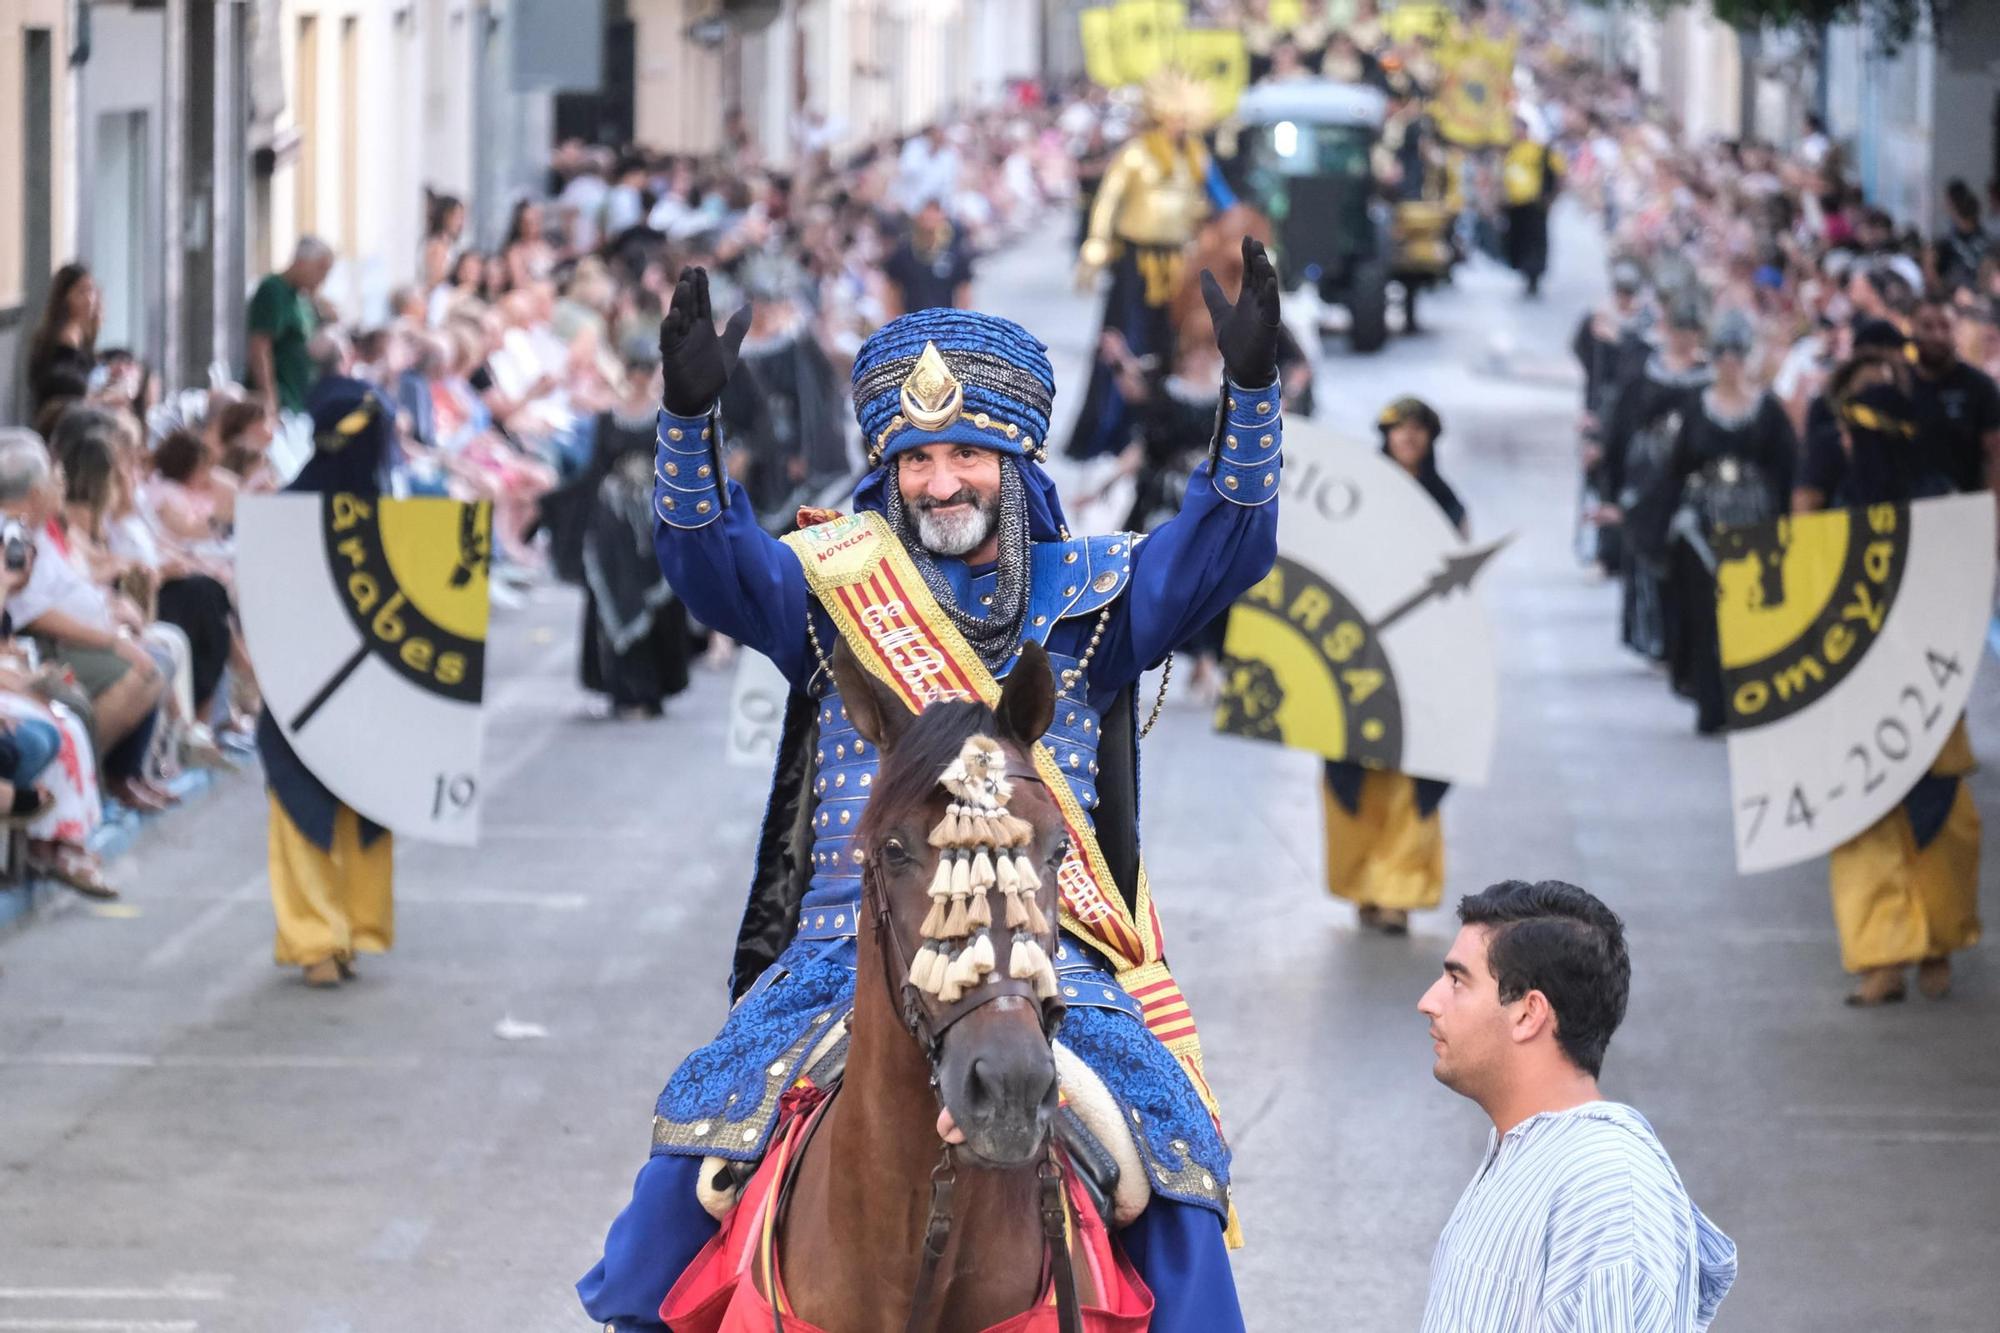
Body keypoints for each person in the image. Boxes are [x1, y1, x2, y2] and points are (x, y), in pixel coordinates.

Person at [579, 243, 1285, 1332]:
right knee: (679, 1179)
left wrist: (1247, 398)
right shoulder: (828, 592)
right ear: (885, 472)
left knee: (1174, 1167)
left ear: (1014, 463)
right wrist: (686, 423)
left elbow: (1225, 550)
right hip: (843, 953)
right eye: (914, 460)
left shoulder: (1097, 601)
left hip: (1056, 964)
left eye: (966, 454)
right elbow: (706, 557)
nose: (940, 481)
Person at [1417, 879, 1738, 1332]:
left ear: (1529, 1014)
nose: (1428, 1001)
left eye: (1456, 981)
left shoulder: (1606, 1191)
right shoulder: (1525, 1150)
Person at [1796, 364, 1985, 1006]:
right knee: (1867, 820)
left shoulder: (1935, 501)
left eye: (1851, 433)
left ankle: (1934, 949)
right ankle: (1888, 957)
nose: (1843, 444)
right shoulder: (1849, 502)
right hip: (1863, 684)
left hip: (1922, 681)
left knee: (1934, 821)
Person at [257, 377, 398, 989]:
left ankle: (322, 938)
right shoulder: (387, 520)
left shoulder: (281, 512)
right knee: (337, 806)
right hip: (349, 684)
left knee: (310, 809)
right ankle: (340, 935)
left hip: (302, 687)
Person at [1324, 398, 1464, 935]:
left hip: (1422, 654)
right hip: (1358, 652)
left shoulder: (1448, 505)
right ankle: (1364, 882)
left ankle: (1397, 891)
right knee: (1357, 769)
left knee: (1412, 770)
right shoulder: (1355, 501)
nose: (1408, 437)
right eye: (1398, 429)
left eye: (1417, 429)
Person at [1066, 70, 1238, 460]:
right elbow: (1108, 200)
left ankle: (1162, 424)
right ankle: (1111, 427)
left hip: (1180, 263)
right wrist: (1095, 246)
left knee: (1172, 342)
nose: (1182, 124)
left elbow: (1223, 199)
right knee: (1125, 339)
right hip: (1135, 263)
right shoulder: (1137, 152)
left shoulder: (1197, 154)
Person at [0, 425, 169, 815]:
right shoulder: (15, 537)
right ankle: (67, 816)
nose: (62, 485)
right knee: (64, 708)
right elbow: (28, 613)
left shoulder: (32, 533)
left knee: (65, 709)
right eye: (54, 480)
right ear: (35, 493)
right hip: (41, 649)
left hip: (19, 656)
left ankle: (86, 802)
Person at [1645, 313, 1796, 735]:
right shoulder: (1695, 408)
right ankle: (1711, 703)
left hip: (1756, 525)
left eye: (1736, 355)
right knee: (1704, 615)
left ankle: (1751, 700)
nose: (1729, 363)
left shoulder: (1768, 412)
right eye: (1722, 355)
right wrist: (1662, 524)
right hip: (1702, 528)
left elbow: (1786, 470)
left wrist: (1789, 526)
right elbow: (1674, 470)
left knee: (1751, 615)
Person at [579, 342, 692, 718]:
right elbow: (595, 472)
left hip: (657, 521)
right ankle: (625, 691)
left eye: (646, 372)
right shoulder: (608, 419)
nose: (640, 380)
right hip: (615, 527)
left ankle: (653, 689)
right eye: (634, 372)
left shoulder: (668, 418)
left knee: (657, 604)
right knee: (619, 600)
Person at [247, 236, 334, 417]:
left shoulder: (302, 297)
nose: (322, 279)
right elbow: (260, 345)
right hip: (281, 400)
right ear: (302, 262)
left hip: (298, 399)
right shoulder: (273, 289)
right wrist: (269, 397)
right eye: (320, 269)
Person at [1501, 114, 1564, 297]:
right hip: (1515, 204)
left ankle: (1534, 276)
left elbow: (1558, 172)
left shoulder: (1539, 149)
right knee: (1519, 242)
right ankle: (1524, 273)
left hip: (1534, 203)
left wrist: (1551, 198)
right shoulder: (1510, 151)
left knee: (1535, 242)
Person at [25, 263, 101, 416]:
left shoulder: (82, 330)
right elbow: (70, 386)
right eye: (81, 292)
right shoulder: (64, 337)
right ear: (64, 297)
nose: (89, 300)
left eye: (91, 291)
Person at [881, 197, 975, 317]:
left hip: (945, 323)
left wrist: (959, 321)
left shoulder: (956, 253)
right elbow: (892, 291)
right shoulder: (903, 253)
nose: (930, 216)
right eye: (926, 210)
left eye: (935, 211)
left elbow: (964, 292)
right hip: (912, 323)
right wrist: (897, 323)